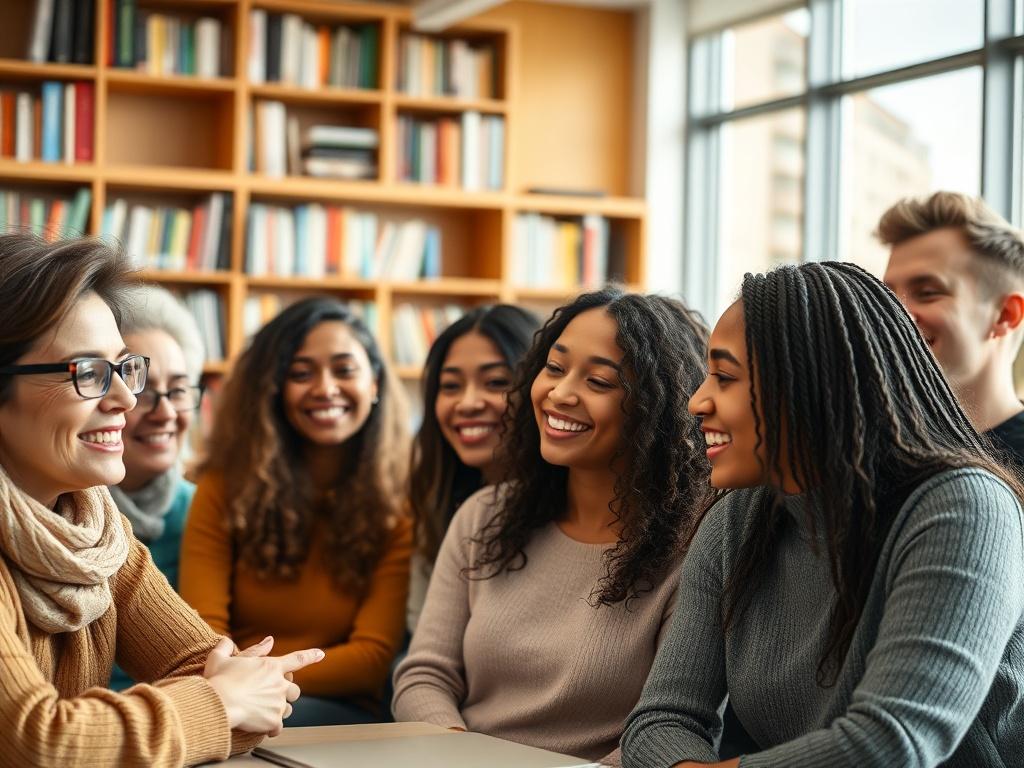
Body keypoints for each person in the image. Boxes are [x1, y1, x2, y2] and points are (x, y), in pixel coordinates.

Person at [621, 262, 1024, 768]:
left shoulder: (964, 510)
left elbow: (891, 743)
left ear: (811, 384)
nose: (697, 401)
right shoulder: (734, 522)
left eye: (724, 376)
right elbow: (661, 720)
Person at [0, 233, 322, 765]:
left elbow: (207, 666)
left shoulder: (98, 527)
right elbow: (37, 743)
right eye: (87, 372)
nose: (127, 398)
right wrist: (218, 704)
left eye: (124, 367)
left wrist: (229, 701)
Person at [393, 288, 712, 765]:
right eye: (555, 368)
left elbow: (672, 730)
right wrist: (454, 753)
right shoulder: (485, 514)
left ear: (658, 408)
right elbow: (425, 675)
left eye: (600, 382)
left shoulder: (696, 549)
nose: (560, 394)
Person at [180, 297, 412, 727]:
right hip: (231, 698)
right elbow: (203, 637)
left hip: (340, 712)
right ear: (272, 388)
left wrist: (257, 681)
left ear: (375, 383)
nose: (325, 388)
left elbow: (372, 659)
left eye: (344, 370)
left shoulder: (398, 500)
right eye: (301, 373)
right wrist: (242, 690)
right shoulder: (223, 486)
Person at [406, 304, 539, 633]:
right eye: (450, 386)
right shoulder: (437, 503)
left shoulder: (574, 516)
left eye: (496, 382)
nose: (467, 403)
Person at [880, 191, 1024, 465]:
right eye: (887, 296)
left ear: (1006, 315)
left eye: (927, 292)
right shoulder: (873, 454)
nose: (894, 315)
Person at [108, 286, 205, 691]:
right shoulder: (65, 515)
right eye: (142, 389)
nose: (165, 412)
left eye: (179, 390)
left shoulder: (205, 513)